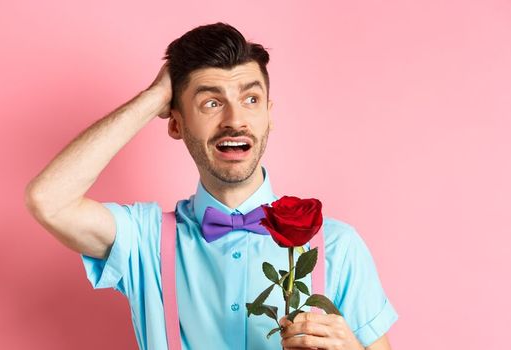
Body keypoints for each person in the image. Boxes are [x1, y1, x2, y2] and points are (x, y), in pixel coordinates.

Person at [25, 22, 397, 350]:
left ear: (269, 115)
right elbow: (48, 200)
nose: (235, 120)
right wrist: (153, 97)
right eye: (211, 103)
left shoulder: (336, 245)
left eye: (251, 99)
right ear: (176, 124)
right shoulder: (144, 240)